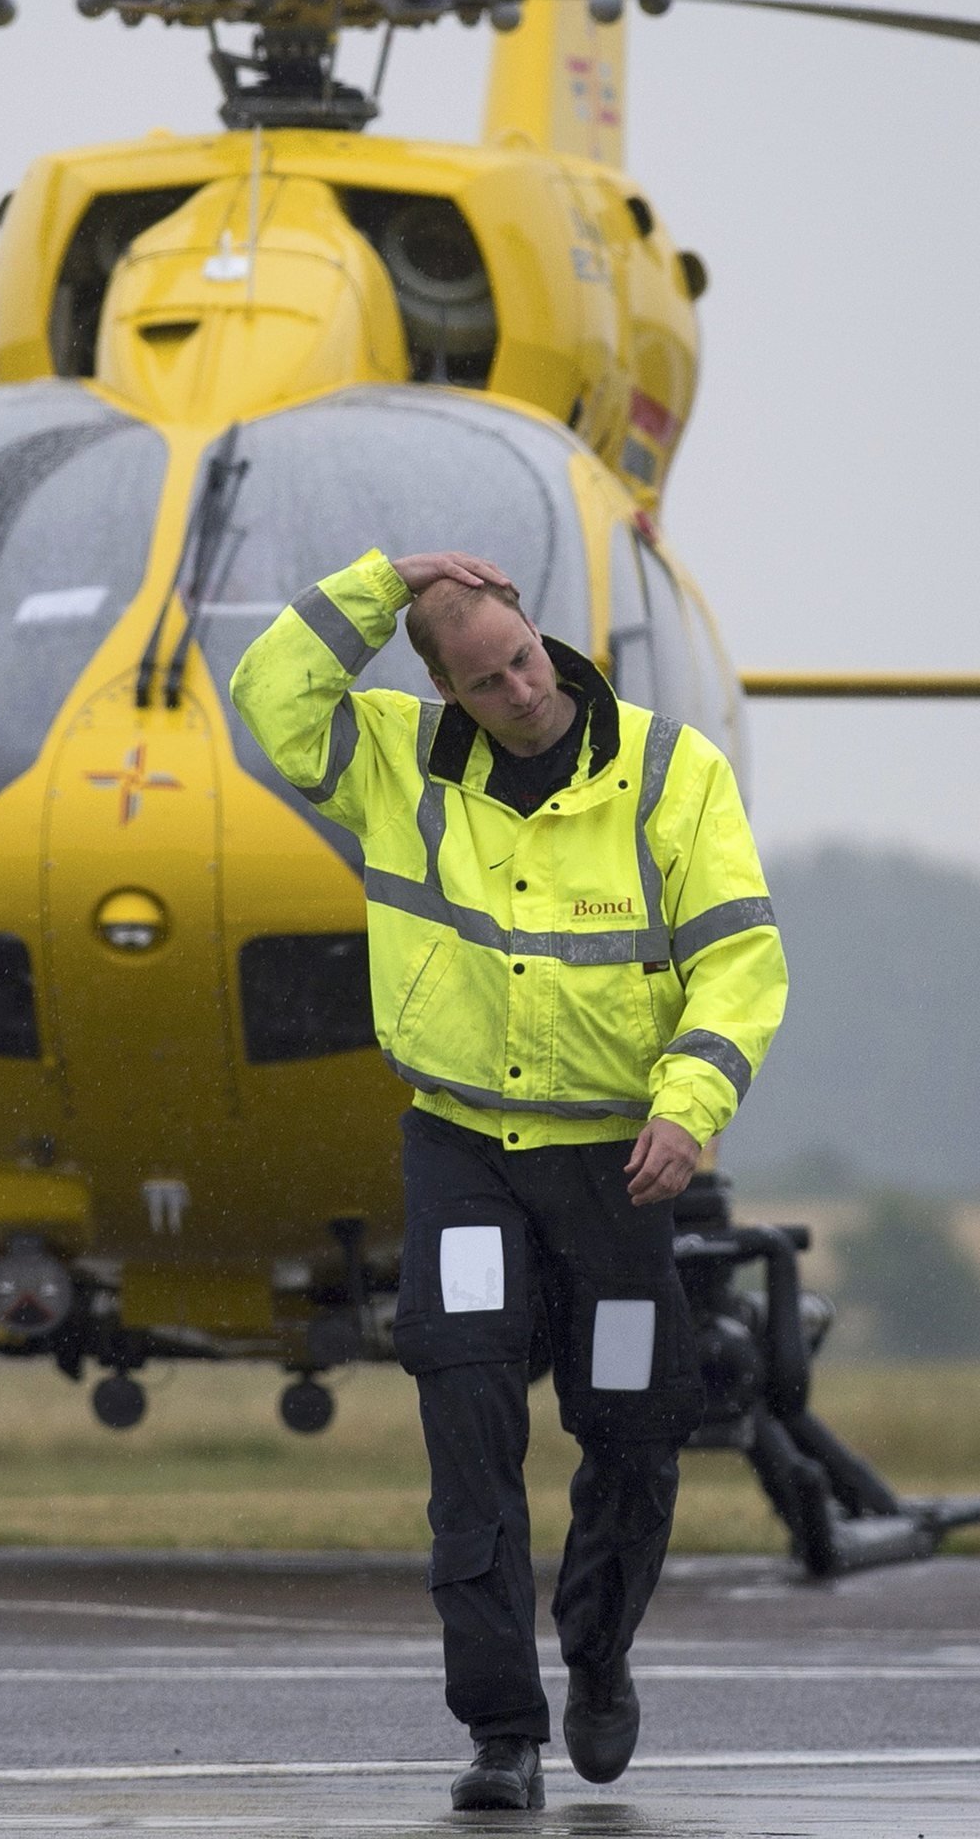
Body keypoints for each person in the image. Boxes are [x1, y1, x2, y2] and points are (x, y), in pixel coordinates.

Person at [231, 547, 788, 1812]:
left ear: (541, 630)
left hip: (622, 1162)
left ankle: (597, 1657)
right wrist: (385, 578)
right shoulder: (391, 759)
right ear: (444, 688)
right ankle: (501, 1731)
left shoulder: (668, 770)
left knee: (636, 1432)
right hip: (465, 1149)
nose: (520, 692)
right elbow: (267, 694)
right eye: (484, 683)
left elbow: (744, 964)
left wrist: (687, 1108)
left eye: (524, 660)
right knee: (468, 1427)